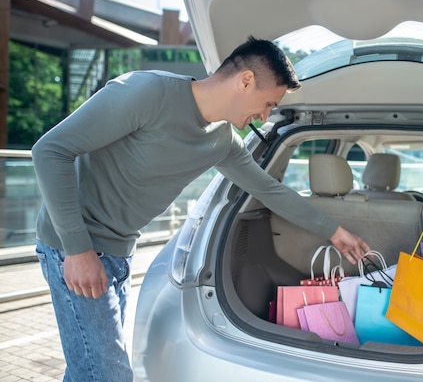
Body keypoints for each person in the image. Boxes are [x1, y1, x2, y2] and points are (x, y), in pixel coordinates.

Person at [31, 35, 371, 382]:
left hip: (117, 253)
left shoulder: (223, 141)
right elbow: (50, 150)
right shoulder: (146, 92)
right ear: (245, 81)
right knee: (108, 375)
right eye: (268, 103)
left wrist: (334, 231)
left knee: (89, 370)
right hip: (73, 248)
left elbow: (270, 190)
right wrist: (77, 249)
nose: (265, 115)